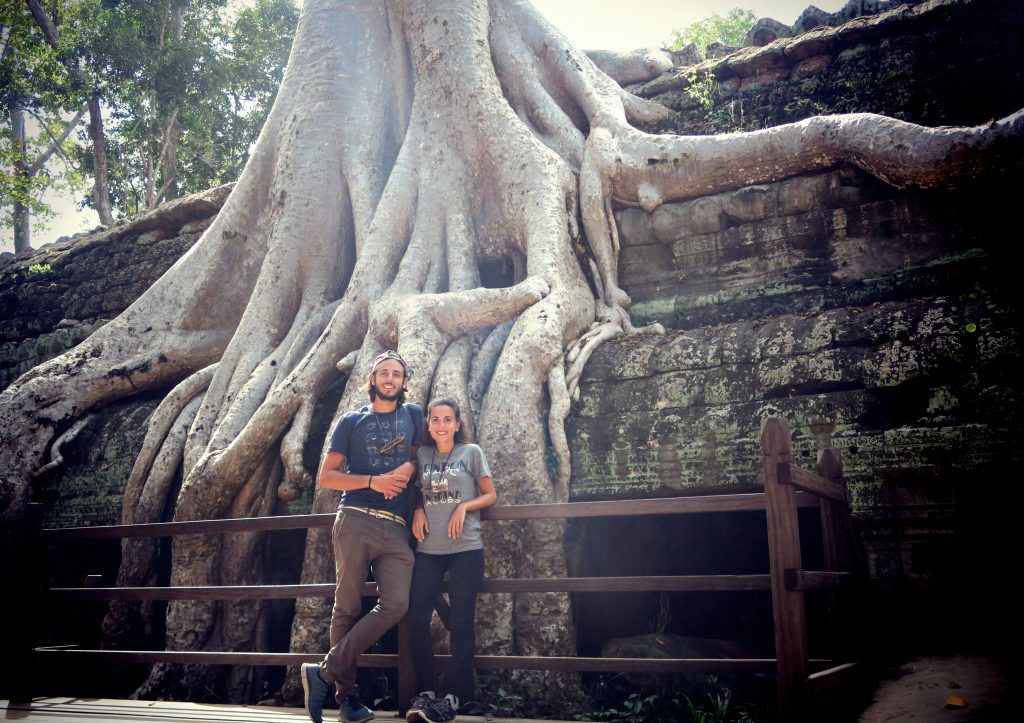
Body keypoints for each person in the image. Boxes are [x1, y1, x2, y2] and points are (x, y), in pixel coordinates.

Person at [301, 350, 423, 723]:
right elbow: (328, 477)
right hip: (355, 517)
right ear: (372, 379)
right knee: (347, 607)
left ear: (403, 382)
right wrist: (374, 480)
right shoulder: (350, 422)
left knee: (397, 604)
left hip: (397, 528)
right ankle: (347, 700)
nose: (389, 379)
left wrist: (413, 486)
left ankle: (322, 671)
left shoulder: (414, 415)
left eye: (396, 374)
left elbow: (426, 458)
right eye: (383, 373)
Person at [405, 398, 497, 723]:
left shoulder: (471, 452)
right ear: (428, 424)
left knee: (460, 624)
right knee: (415, 618)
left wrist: (464, 506)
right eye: (435, 419)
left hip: (466, 550)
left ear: (457, 424)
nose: (441, 425)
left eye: (448, 419)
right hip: (428, 550)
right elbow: (418, 491)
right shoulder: (423, 455)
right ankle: (427, 693)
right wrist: (418, 508)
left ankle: (453, 699)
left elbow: (491, 494)